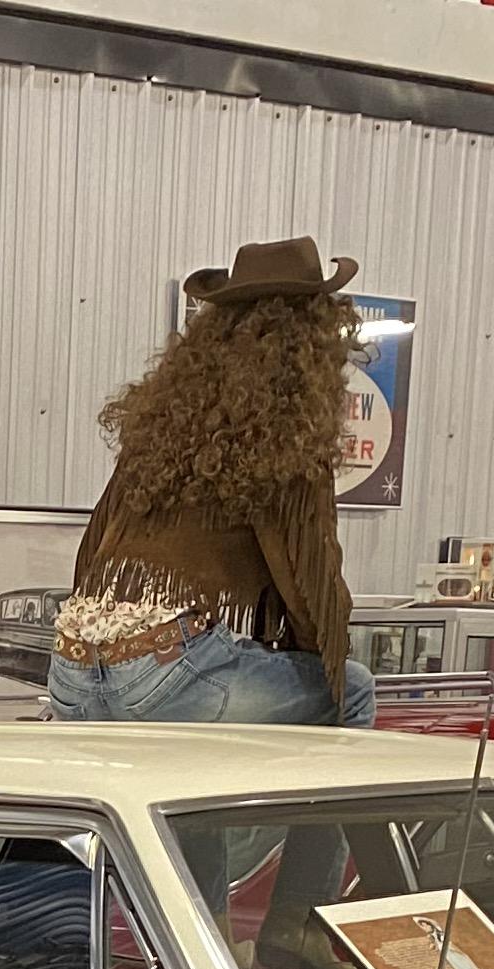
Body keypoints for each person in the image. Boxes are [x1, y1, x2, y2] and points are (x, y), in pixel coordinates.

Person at [49, 236, 371, 728]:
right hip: (162, 674)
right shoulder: (288, 430)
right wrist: (317, 654)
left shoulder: (162, 421)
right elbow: (305, 577)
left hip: (70, 671)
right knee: (354, 690)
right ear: (311, 336)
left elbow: (95, 543)